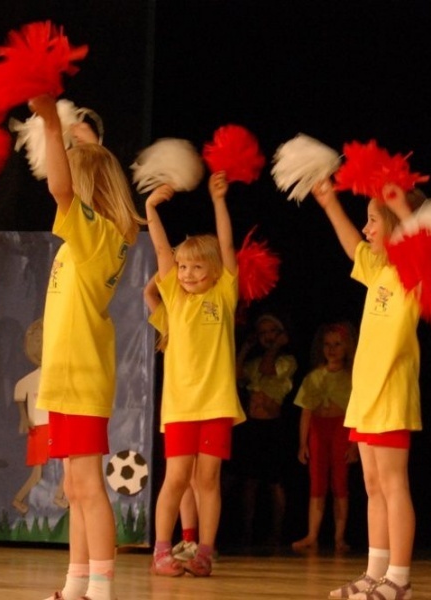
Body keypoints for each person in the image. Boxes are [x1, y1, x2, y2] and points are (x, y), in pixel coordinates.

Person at [29, 93, 144, 600]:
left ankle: (99, 590)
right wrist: (86, 142)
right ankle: (76, 586)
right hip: (67, 376)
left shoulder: (95, 235)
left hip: (79, 374)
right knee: (76, 488)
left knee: (89, 489)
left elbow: (60, 186)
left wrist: (53, 127)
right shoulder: (98, 235)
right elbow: (88, 177)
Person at [313, 179, 427, 600]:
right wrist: (328, 202)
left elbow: (424, 238)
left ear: (397, 225)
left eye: (373, 220)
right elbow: (351, 246)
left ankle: (399, 579)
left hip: (392, 392)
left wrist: (399, 205)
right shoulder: (380, 269)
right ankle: (374, 573)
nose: (366, 229)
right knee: (374, 485)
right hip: (366, 396)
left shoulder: (414, 268)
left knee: (394, 485)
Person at [145, 171, 246, 578]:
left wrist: (219, 200)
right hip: (182, 407)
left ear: (216, 271)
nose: (185, 273)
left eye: (195, 266)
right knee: (176, 479)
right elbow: (160, 248)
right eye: (182, 266)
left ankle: (205, 550)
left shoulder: (223, 293)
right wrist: (151, 208)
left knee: (208, 481)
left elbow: (226, 244)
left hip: (217, 403)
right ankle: (162, 550)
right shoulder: (174, 298)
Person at [143, 276, 201, 562]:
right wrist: (169, 272)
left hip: (203, 405)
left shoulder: (203, 310)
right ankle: (189, 538)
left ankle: (203, 544)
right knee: (184, 478)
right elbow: (148, 292)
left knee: (202, 478)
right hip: (177, 408)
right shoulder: (172, 317)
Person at [292, 321, 359, 554]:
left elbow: (357, 413)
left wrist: (355, 444)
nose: (332, 349)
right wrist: (303, 443)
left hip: (341, 429)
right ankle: (312, 535)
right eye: (327, 344)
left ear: (347, 347)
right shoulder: (313, 377)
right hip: (318, 431)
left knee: (340, 483)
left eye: (337, 344)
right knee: (317, 484)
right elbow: (306, 412)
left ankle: (339, 537)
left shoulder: (353, 378)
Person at [235, 313, 297, 547]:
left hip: (274, 428)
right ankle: (247, 530)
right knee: (250, 481)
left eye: (273, 332)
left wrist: (277, 345)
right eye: (263, 333)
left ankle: (277, 532)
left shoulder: (287, 360)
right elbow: (237, 375)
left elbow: (269, 368)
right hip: (254, 428)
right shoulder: (254, 362)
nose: (268, 337)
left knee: (275, 482)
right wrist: (245, 348)